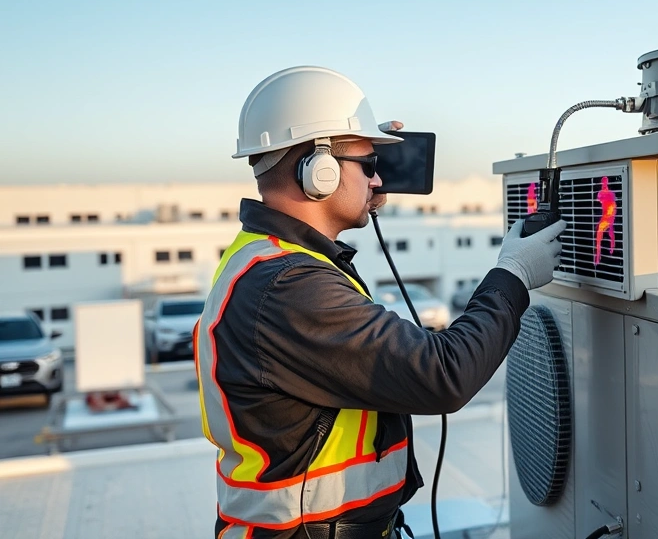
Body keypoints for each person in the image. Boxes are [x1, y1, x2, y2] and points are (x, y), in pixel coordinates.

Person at [194, 65, 566, 539]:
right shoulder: (288, 287)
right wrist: (513, 275)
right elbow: (443, 374)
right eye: (369, 165)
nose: (376, 182)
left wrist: (363, 163)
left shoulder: (271, 257)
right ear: (319, 170)